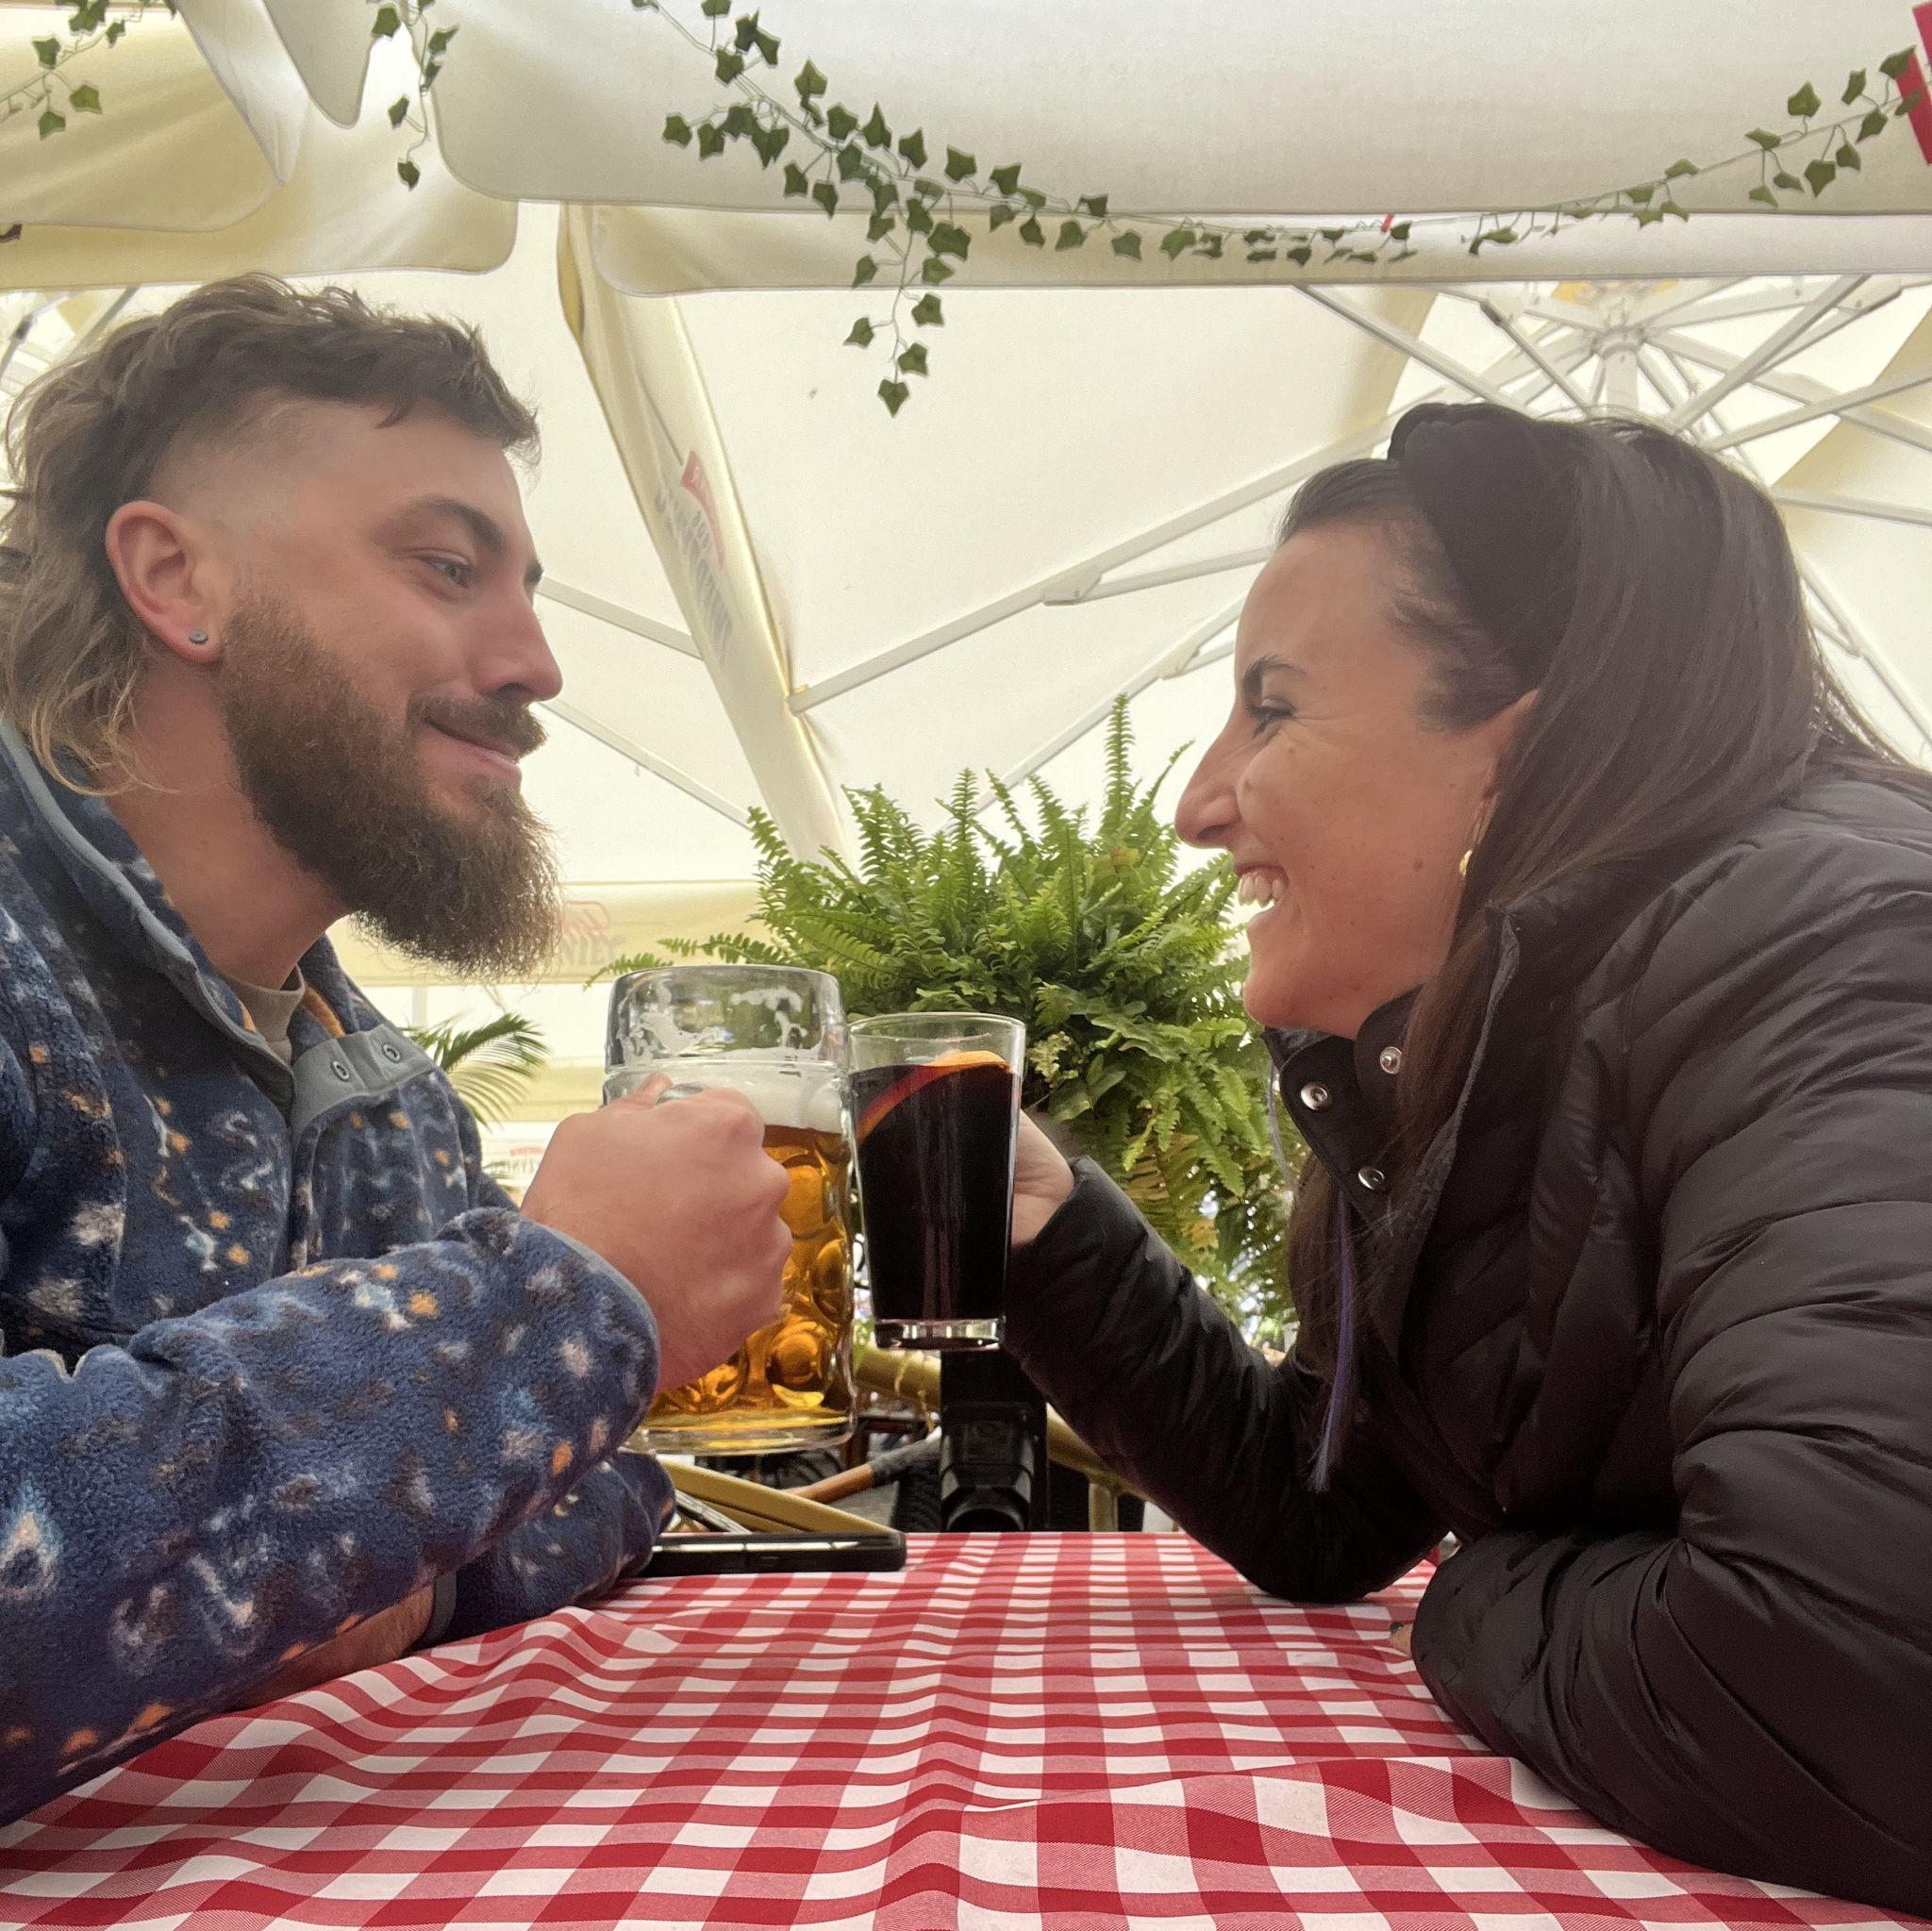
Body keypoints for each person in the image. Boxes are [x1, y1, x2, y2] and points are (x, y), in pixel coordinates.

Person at [1003, 403, 1932, 1917]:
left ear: (1520, 749)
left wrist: (1481, 1590)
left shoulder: (1836, 953)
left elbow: (1855, 1672)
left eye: (1274, 708)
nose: (1196, 801)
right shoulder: (1481, 1051)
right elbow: (1330, 1505)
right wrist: (1048, 1228)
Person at [0, 277, 790, 1821]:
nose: (537, 665)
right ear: (176, 576)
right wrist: (551, 1305)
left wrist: (400, 1584)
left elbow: (609, 1483)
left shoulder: (384, 1097)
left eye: (532, 588)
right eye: (446, 566)